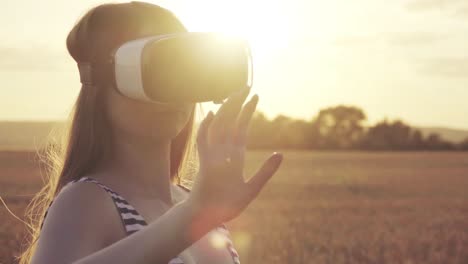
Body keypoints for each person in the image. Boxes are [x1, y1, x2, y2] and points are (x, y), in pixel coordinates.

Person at [18, 1, 283, 263]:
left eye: (187, 71)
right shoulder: (86, 201)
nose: (173, 92)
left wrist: (199, 210)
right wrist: (192, 215)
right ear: (99, 82)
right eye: (156, 71)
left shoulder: (196, 200)